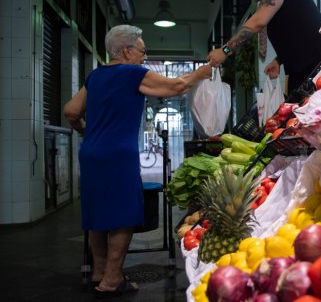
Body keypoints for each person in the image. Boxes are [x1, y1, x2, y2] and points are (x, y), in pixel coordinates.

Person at [63, 25, 211, 297]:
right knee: (122, 216)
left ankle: (99, 272)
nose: (145, 56)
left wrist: (86, 131)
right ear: (127, 51)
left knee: (98, 215)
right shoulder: (132, 73)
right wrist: (202, 72)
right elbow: (175, 87)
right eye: (143, 51)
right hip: (118, 154)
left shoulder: (95, 76)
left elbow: (71, 110)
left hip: (91, 153)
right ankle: (112, 280)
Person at [206, 0, 321, 100]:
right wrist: (279, 60)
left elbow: (257, 22)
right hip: (307, 68)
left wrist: (225, 51)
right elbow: (297, 33)